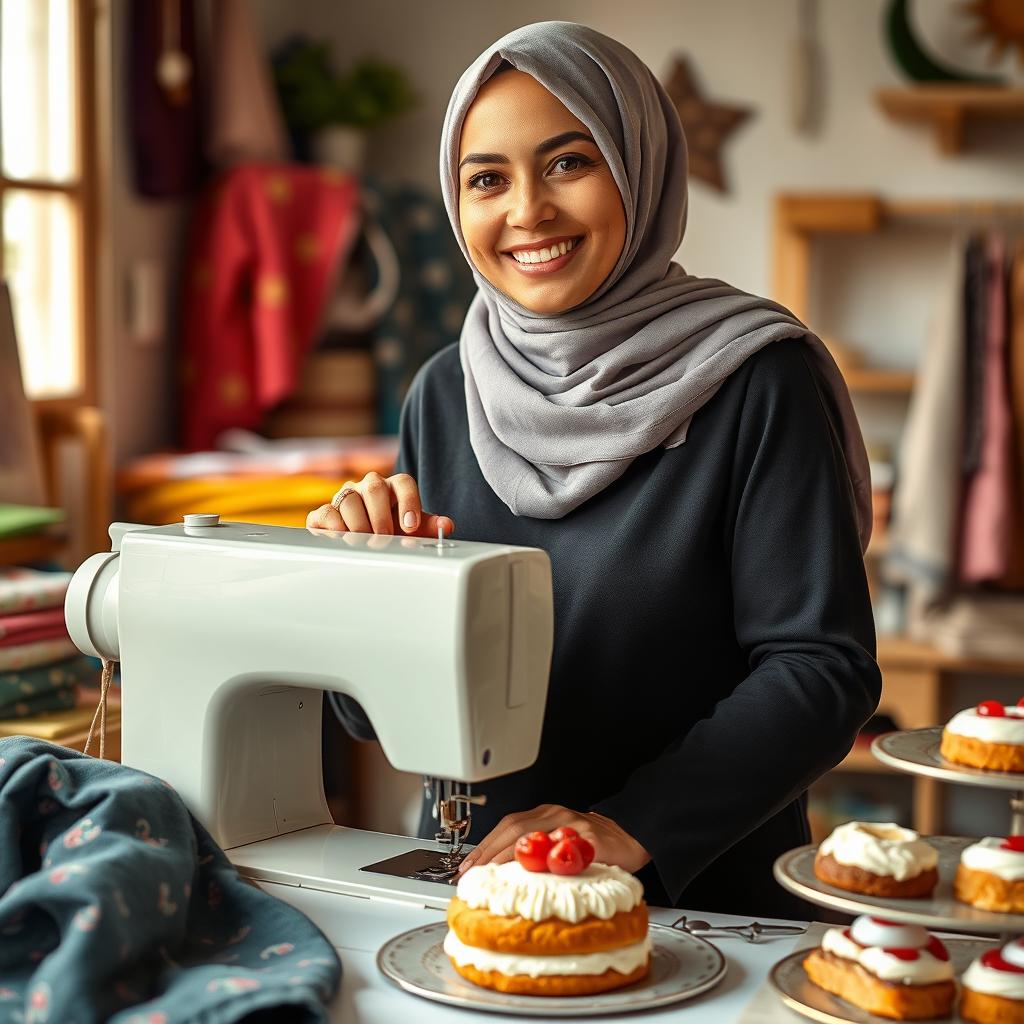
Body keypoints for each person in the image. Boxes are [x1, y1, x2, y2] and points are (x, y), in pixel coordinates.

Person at [307, 22, 881, 918]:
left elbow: (819, 667)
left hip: (705, 901)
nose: (526, 209)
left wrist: (622, 827)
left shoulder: (758, 376)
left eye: (569, 162)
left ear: (639, 167)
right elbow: (373, 719)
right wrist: (364, 590)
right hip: (482, 896)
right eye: (486, 178)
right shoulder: (445, 391)